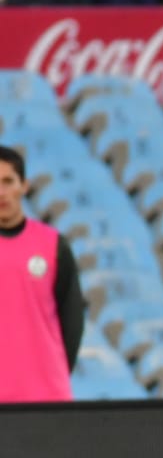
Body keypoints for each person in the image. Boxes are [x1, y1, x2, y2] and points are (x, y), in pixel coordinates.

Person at [0, 145, 86, 405]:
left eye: (8, 181)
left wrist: (51, 374)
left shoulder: (53, 245)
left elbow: (72, 320)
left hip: (47, 398)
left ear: (24, 186)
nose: (1, 192)